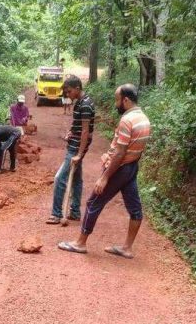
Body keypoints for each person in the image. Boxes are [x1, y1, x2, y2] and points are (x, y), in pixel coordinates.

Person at [57, 84, 151, 259]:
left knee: (93, 202)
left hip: (119, 169)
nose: (116, 104)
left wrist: (105, 177)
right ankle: (127, 248)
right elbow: (134, 149)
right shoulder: (143, 118)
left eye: (117, 100)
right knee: (135, 208)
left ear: (126, 100)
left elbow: (120, 152)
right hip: (132, 168)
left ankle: (80, 243)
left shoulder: (127, 120)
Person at [46, 75, 95, 224]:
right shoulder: (80, 102)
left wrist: (79, 154)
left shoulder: (86, 104)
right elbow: (78, 125)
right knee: (77, 179)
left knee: (60, 178)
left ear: (77, 88)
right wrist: (71, 131)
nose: (67, 95)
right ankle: (74, 212)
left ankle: (56, 214)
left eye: (69, 91)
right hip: (74, 143)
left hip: (76, 148)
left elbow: (86, 131)